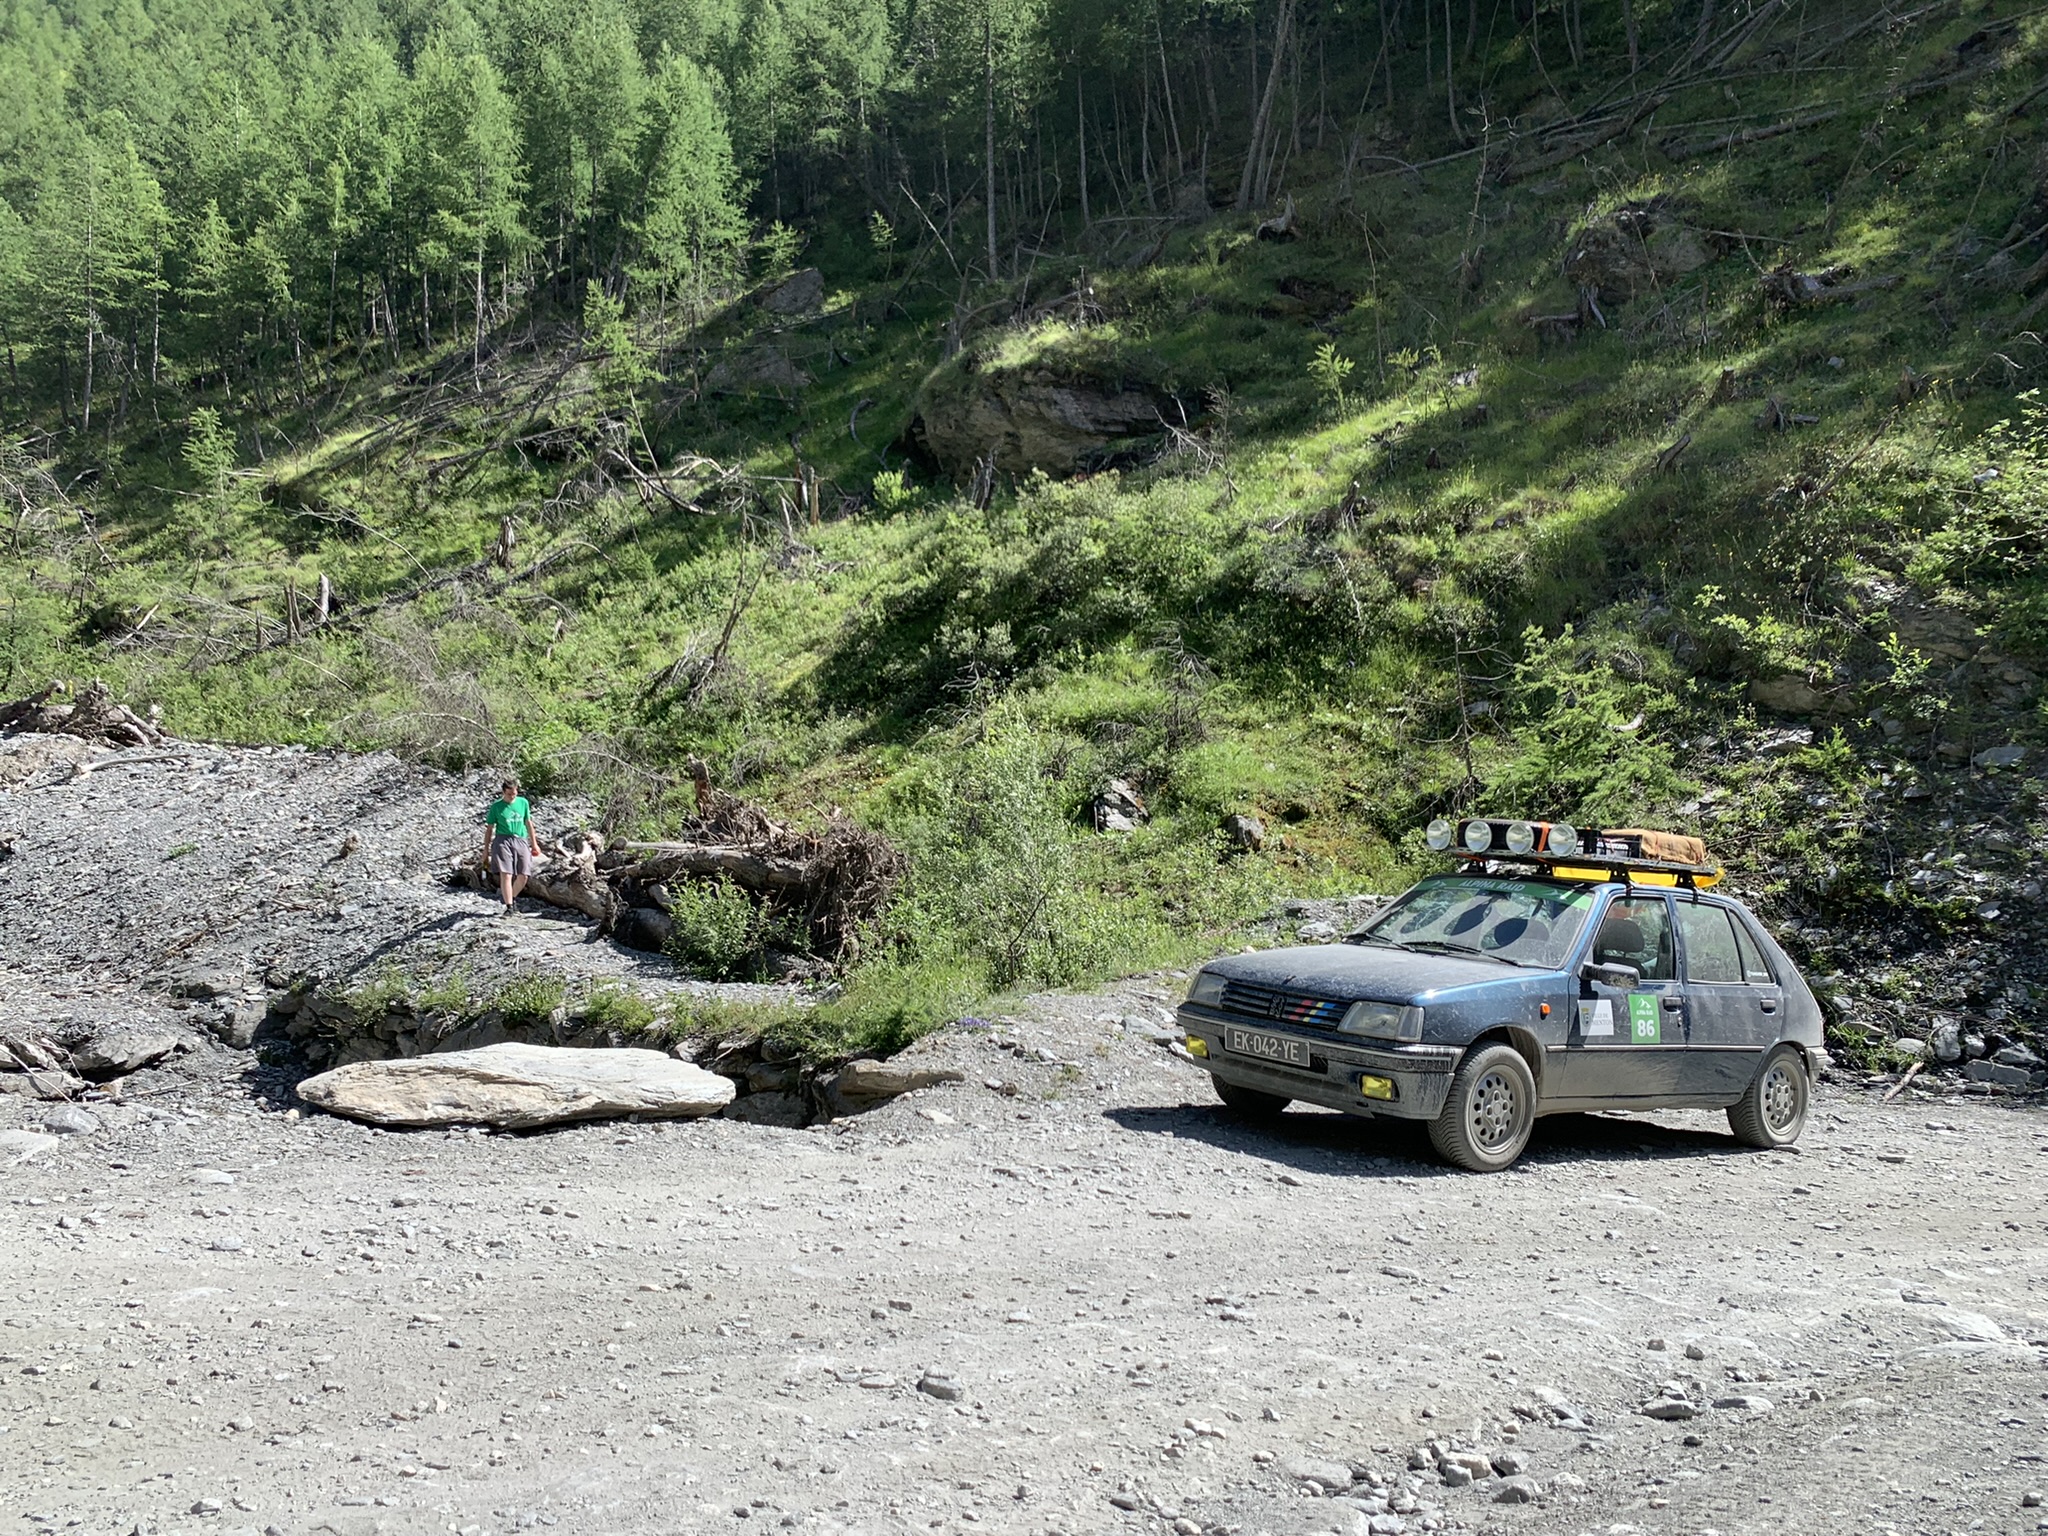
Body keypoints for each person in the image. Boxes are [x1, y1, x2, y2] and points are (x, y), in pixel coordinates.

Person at [482, 778, 540, 915]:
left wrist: (534, 844)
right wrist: (486, 850)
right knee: (506, 874)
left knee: (523, 874)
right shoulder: (496, 807)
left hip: (520, 839)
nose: (512, 796)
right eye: (509, 794)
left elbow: (528, 823)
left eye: (514, 793)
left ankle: (512, 898)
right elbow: (489, 829)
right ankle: (509, 906)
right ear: (503, 792)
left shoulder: (523, 803)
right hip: (503, 840)